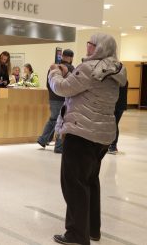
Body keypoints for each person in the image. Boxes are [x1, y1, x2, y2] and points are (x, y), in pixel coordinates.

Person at [48, 33, 127, 245]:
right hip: (102, 135)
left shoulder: (89, 68)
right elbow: (84, 86)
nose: (88, 48)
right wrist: (68, 72)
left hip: (81, 132)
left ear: (100, 48)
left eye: (91, 45)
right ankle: (92, 229)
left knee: (73, 184)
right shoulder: (117, 70)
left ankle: (76, 235)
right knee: (90, 181)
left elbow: (62, 88)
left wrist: (54, 73)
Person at [37, 49, 75, 153]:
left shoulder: (53, 67)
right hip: (64, 98)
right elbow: (73, 85)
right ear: (71, 58)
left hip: (53, 97)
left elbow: (48, 84)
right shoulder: (71, 68)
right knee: (62, 121)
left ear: (62, 56)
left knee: (53, 119)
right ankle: (59, 147)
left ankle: (43, 139)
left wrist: (52, 93)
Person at [108, 80, 128, 154]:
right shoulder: (124, 80)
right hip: (121, 106)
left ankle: (113, 146)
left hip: (115, 106)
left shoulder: (115, 81)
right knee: (114, 125)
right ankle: (112, 145)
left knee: (114, 125)